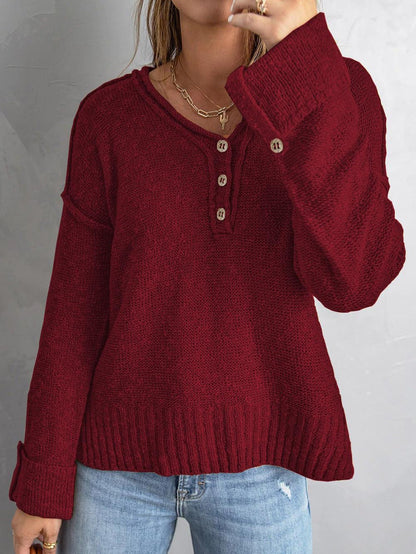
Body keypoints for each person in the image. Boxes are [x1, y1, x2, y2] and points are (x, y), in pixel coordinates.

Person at [9, 0, 406, 552]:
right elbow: (74, 314)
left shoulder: (337, 92)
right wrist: (42, 482)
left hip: (264, 471)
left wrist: (305, 66)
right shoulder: (109, 118)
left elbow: (354, 282)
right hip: (114, 475)